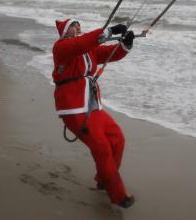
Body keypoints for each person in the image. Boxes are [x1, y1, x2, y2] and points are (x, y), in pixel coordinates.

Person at [52, 18, 135, 208]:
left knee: (117, 139)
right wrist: (111, 31)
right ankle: (119, 195)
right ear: (65, 31)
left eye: (79, 25)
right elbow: (82, 43)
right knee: (102, 149)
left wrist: (125, 45)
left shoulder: (86, 48)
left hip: (91, 106)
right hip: (73, 107)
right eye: (73, 25)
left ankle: (103, 179)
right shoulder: (61, 47)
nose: (78, 28)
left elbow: (108, 53)